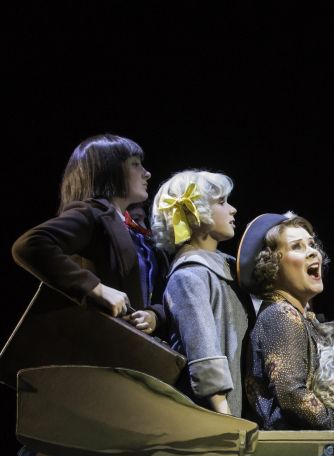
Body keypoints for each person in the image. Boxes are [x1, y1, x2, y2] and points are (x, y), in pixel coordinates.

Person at [12, 134, 167, 335]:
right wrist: (96, 289)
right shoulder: (92, 214)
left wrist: (154, 314)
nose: (147, 173)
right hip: (93, 341)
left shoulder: (135, 228)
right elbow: (29, 245)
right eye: (135, 164)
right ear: (108, 169)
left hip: (129, 343)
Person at [237, 212, 334, 429]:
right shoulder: (281, 315)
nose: (313, 252)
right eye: (297, 247)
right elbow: (292, 395)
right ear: (271, 265)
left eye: (312, 244)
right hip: (294, 445)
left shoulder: (303, 318)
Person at [152, 170, 253, 416]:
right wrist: (224, 414)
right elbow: (204, 353)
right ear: (194, 213)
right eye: (221, 202)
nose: (232, 210)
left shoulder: (229, 267)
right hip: (213, 417)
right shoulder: (189, 276)